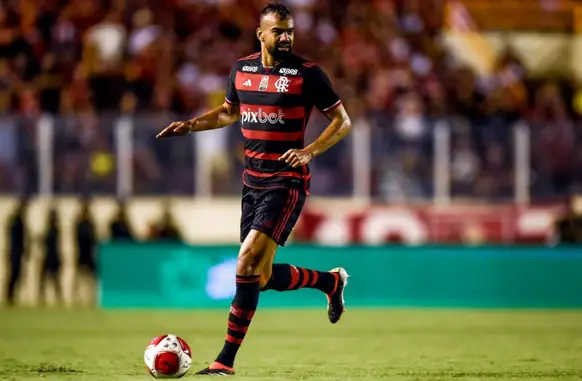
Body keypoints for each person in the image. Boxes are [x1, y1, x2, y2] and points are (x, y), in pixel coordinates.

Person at [156, 3, 352, 376]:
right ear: (260, 34)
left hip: (287, 182)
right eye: (278, 31)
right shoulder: (241, 70)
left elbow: (342, 121)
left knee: (245, 263)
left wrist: (309, 151)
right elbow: (230, 112)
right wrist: (190, 125)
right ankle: (330, 281)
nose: (286, 37)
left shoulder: (307, 74)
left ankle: (223, 362)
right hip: (252, 183)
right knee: (258, 278)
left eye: (289, 30)